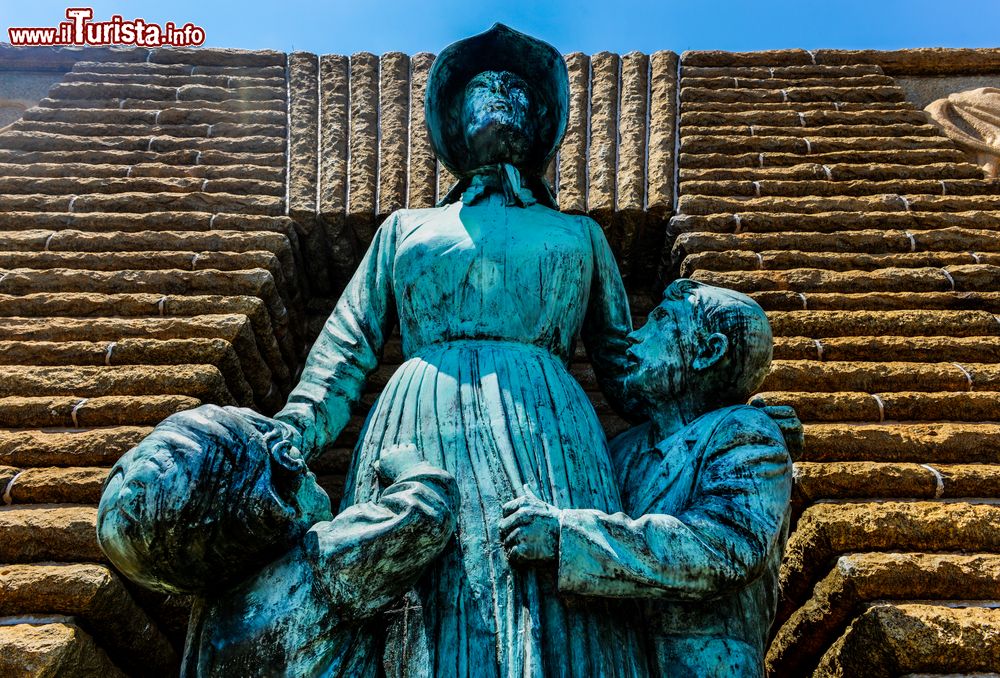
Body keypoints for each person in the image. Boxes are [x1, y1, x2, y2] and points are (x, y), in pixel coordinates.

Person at [239, 23, 649, 676]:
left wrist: (713, 412)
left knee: (550, 610)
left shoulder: (580, 234)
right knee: (418, 603)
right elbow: (346, 347)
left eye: (515, 84)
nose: (499, 92)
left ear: (542, 116)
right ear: (453, 117)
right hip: (421, 415)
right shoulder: (406, 228)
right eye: (481, 85)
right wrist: (294, 429)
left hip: (549, 426)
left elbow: (628, 369)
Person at [500, 279, 793, 677]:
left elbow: (725, 547)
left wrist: (567, 535)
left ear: (708, 352)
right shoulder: (621, 452)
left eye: (660, 322)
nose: (635, 338)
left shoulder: (743, 432)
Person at [97, 405, 458, 677]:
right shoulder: (319, 564)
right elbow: (423, 517)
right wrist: (411, 469)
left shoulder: (206, 626)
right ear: (280, 495)